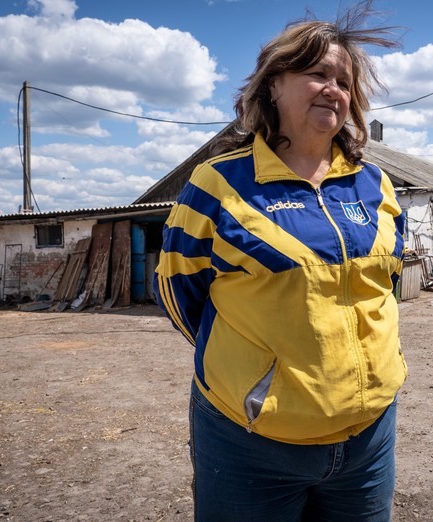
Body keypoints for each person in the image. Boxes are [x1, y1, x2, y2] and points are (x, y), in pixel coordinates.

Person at [155, 3, 406, 520]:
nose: (333, 88)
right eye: (317, 74)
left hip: (370, 437)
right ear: (272, 85)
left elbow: (386, 286)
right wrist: (258, 373)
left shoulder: (375, 185)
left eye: (344, 81)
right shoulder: (219, 185)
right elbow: (181, 292)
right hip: (250, 443)